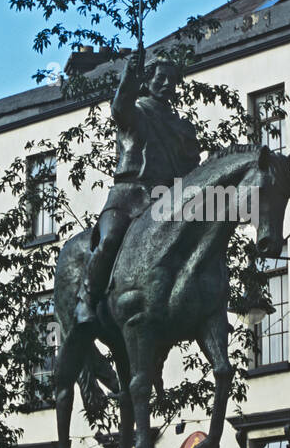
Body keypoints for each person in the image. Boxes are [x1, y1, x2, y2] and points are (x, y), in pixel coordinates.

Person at [75, 53, 200, 324]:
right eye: (160, 78)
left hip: (167, 200)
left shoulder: (182, 127)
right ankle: (87, 299)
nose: (167, 84)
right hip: (128, 196)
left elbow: (192, 166)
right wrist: (129, 74)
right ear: (148, 80)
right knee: (109, 240)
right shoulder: (137, 112)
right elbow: (120, 107)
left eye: (172, 79)